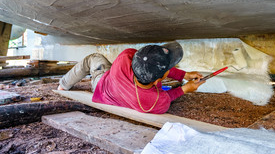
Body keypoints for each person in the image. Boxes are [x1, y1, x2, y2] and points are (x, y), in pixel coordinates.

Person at [57, 41, 205, 114]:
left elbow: (156, 67)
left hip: (106, 83)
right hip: (100, 85)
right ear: (158, 80)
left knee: (93, 58)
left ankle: (63, 85)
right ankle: (63, 86)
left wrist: (184, 75)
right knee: (94, 60)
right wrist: (186, 88)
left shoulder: (126, 56)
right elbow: (168, 96)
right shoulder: (156, 103)